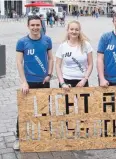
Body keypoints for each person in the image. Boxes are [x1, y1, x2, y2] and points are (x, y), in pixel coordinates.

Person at [14, 15, 54, 150]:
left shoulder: (47, 40)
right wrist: (23, 82)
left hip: (44, 81)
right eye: (33, 25)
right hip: (29, 82)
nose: (35, 28)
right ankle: (19, 138)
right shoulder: (22, 42)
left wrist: (49, 74)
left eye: (38, 25)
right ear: (28, 26)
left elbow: (51, 59)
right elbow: (19, 62)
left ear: (41, 26)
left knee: (45, 110)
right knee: (24, 111)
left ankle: (45, 135)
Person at [56, 21, 93, 90]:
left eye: (76, 29)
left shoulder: (86, 45)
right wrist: (62, 83)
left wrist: (84, 80)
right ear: (67, 30)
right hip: (66, 80)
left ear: (79, 31)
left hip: (82, 81)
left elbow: (90, 64)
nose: (74, 31)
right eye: (71, 29)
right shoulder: (62, 46)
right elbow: (58, 66)